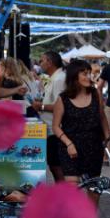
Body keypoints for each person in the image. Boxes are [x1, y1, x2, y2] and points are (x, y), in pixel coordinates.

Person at [52, 60, 110, 218]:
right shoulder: (63, 98)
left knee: (94, 186)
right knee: (72, 186)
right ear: (74, 76)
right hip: (70, 146)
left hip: (93, 145)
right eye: (84, 73)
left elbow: (102, 116)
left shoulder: (95, 94)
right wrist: (68, 143)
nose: (89, 76)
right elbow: (55, 126)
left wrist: (106, 138)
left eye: (89, 72)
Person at [32, 51, 67, 182]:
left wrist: (40, 106)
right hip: (50, 129)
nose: (40, 64)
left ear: (50, 62)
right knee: (54, 166)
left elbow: (60, 106)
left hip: (56, 130)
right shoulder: (55, 78)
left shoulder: (59, 79)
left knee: (57, 167)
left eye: (42, 61)